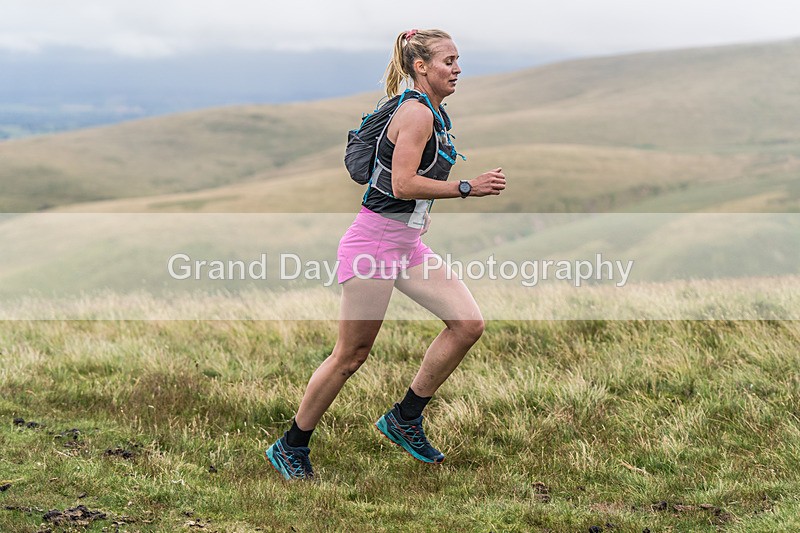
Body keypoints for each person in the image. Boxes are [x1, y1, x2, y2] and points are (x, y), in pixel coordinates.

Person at [265, 28, 506, 480]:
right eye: (448, 61)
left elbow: (404, 190)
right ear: (421, 66)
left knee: (468, 324)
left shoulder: (429, 111)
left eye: (458, 61)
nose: (457, 69)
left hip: (405, 245)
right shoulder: (416, 114)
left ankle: (405, 417)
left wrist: (420, 216)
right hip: (375, 245)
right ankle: (290, 446)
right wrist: (467, 187)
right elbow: (402, 184)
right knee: (351, 355)